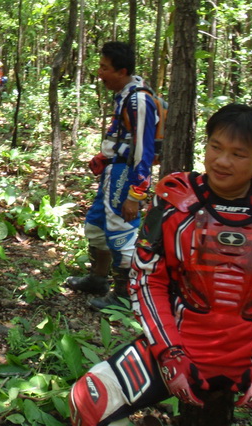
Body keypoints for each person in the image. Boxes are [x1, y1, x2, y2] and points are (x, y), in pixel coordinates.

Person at [69, 104, 252, 426]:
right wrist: (169, 353)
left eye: (238, 154)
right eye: (215, 147)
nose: (222, 161)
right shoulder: (175, 200)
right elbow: (147, 279)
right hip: (180, 346)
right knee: (88, 401)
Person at [65, 41, 158, 310]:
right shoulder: (124, 95)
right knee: (96, 226)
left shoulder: (138, 100)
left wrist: (135, 195)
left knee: (121, 231)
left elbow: (143, 150)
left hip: (126, 174)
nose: (100, 73)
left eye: (105, 68)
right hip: (113, 170)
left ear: (122, 71)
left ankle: (124, 295)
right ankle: (98, 279)